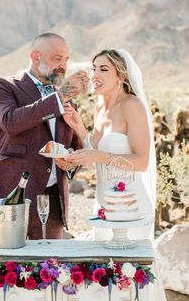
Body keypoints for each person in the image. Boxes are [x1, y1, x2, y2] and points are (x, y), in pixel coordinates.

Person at [62, 49, 166, 300]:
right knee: (105, 280)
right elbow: (95, 151)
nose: (94, 74)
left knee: (131, 279)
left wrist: (97, 156)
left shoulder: (132, 105)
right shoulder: (101, 108)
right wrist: (78, 128)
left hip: (130, 206)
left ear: (121, 75)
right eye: (94, 68)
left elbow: (141, 161)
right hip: (104, 205)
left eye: (103, 69)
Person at [0, 32, 89, 239]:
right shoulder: (3, 86)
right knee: (5, 269)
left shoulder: (66, 101)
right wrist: (61, 96)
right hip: (11, 201)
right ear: (35, 56)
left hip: (52, 206)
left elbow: (75, 146)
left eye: (67, 60)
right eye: (57, 58)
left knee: (51, 270)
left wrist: (70, 163)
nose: (64, 66)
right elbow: (11, 122)